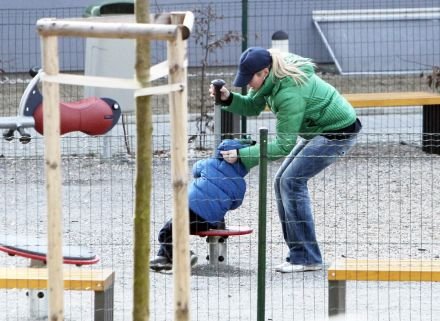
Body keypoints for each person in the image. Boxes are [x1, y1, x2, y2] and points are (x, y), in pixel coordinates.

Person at [209, 47, 362, 273]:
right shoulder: (272, 77)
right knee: (281, 180)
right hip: (318, 130)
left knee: (291, 182)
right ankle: (300, 254)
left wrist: (241, 155)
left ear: (263, 72)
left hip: (337, 133)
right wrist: (229, 98)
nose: (248, 84)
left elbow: (283, 145)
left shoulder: (288, 92)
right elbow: (252, 106)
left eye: (250, 79)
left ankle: (307, 257)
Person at [150, 139, 251, 272]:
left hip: (189, 209)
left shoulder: (210, 163)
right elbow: (235, 204)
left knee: (166, 233)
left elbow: (195, 169)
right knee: (177, 230)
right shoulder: (241, 184)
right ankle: (164, 257)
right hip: (209, 222)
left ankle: (184, 256)